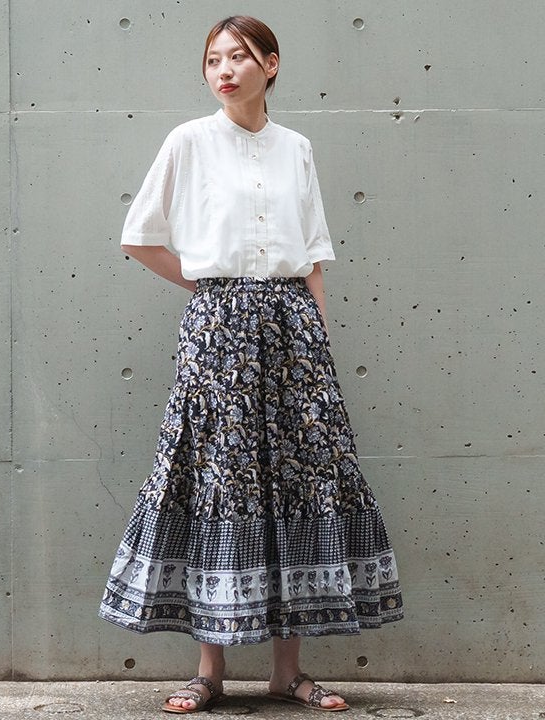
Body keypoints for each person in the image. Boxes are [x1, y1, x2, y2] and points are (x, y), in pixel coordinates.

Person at [99, 15, 403, 714]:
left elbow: (313, 250)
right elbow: (138, 237)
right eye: (213, 59)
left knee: (296, 483)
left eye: (238, 57)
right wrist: (211, 290)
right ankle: (209, 673)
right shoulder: (189, 141)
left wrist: (316, 339)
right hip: (220, 331)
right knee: (220, 482)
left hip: (295, 329)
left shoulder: (297, 149)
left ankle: (287, 674)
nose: (224, 70)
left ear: (271, 63)